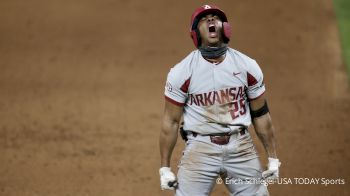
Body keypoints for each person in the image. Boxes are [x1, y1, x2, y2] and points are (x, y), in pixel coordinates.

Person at [159, 4, 281, 196]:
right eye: (203, 19)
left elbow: (261, 114)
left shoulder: (247, 66)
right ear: (195, 33)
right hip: (200, 150)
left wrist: (273, 157)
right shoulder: (181, 72)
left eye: (215, 17)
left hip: (241, 148)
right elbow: (171, 121)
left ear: (225, 28)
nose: (210, 20)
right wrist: (164, 168)